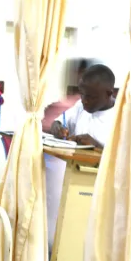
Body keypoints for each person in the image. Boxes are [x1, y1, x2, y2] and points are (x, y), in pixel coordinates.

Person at [44, 64, 118, 251]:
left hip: (103, 194)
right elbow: (57, 122)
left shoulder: (121, 117)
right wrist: (58, 128)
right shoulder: (80, 107)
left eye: (91, 97)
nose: (84, 101)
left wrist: (98, 147)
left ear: (109, 93)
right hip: (74, 185)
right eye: (82, 94)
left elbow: (127, 159)